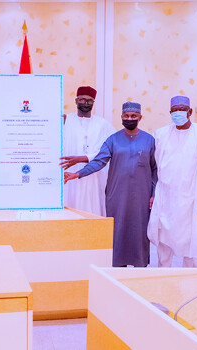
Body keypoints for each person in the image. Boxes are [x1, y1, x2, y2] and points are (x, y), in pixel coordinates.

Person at [65, 101, 157, 267]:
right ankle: (118, 266)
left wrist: (154, 193)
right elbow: (99, 161)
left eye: (134, 116)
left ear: (140, 117)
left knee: (140, 230)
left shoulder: (149, 140)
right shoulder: (113, 140)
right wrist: (78, 174)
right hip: (117, 194)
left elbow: (155, 170)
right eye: (127, 116)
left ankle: (140, 266)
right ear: (121, 117)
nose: (130, 118)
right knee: (117, 229)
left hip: (142, 196)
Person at [148, 95, 197, 267]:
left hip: (191, 195)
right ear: (170, 112)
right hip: (166, 195)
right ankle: (163, 271)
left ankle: (190, 276)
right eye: (175, 110)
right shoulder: (161, 134)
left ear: (190, 111)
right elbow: (154, 166)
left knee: (190, 238)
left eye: (182, 109)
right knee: (163, 235)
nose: (178, 113)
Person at [60, 86, 115, 216]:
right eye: (82, 99)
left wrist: (83, 158)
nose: (85, 103)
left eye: (89, 100)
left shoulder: (103, 124)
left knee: (91, 210)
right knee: (69, 206)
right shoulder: (65, 120)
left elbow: (108, 150)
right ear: (76, 101)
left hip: (93, 175)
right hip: (68, 174)